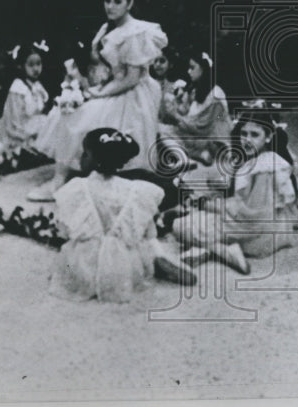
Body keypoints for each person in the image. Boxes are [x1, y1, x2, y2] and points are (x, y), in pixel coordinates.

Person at [32, 0, 168, 199]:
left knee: (80, 119)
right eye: (107, 0)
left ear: (130, 3)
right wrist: (91, 88)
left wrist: (99, 93)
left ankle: (64, 179)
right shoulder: (109, 28)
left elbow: (131, 78)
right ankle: (63, 176)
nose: (111, 6)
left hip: (132, 94)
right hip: (116, 86)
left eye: (117, 1)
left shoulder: (135, 32)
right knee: (66, 112)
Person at [49, 128, 194, 302]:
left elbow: (64, 231)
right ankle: (158, 257)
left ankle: (88, 276)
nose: (81, 158)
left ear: (93, 159)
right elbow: (149, 233)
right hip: (124, 268)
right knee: (141, 244)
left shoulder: (77, 188)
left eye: (85, 154)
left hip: (84, 265)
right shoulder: (136, 190)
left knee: (73, 250)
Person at [172, 108, 298, 275]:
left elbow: (251, 216)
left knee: (180, 226)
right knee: (197, 212)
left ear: (268, 137)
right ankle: (210, 248)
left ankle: (223, 251)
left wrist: (208, 205)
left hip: (257, 235)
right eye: (244, 133)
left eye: (254, 135)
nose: (247, 140)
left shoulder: (264, 167)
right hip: (267, 228)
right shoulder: (258, 159)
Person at [158, 50, 231, 167]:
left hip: (213, 140)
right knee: (162, 129)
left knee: (165, 131)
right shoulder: (196, 91)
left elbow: (202, 126)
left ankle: (194, 155)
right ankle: (195, 155)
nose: (189, 71)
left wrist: (176, 116)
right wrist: (175, 104)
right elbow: (187, 115)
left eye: (192, 68)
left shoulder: (215, 95)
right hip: (198, 136)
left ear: (203, 69)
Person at [0, 41, 52, 163]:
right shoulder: (18, 88)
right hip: (20, 129)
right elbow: (14, 121)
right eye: (31, 65)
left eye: (38, 64)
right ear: (21, 66)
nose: (36, 69)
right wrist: (26, 136)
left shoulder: (37, 86)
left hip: (33, 123)